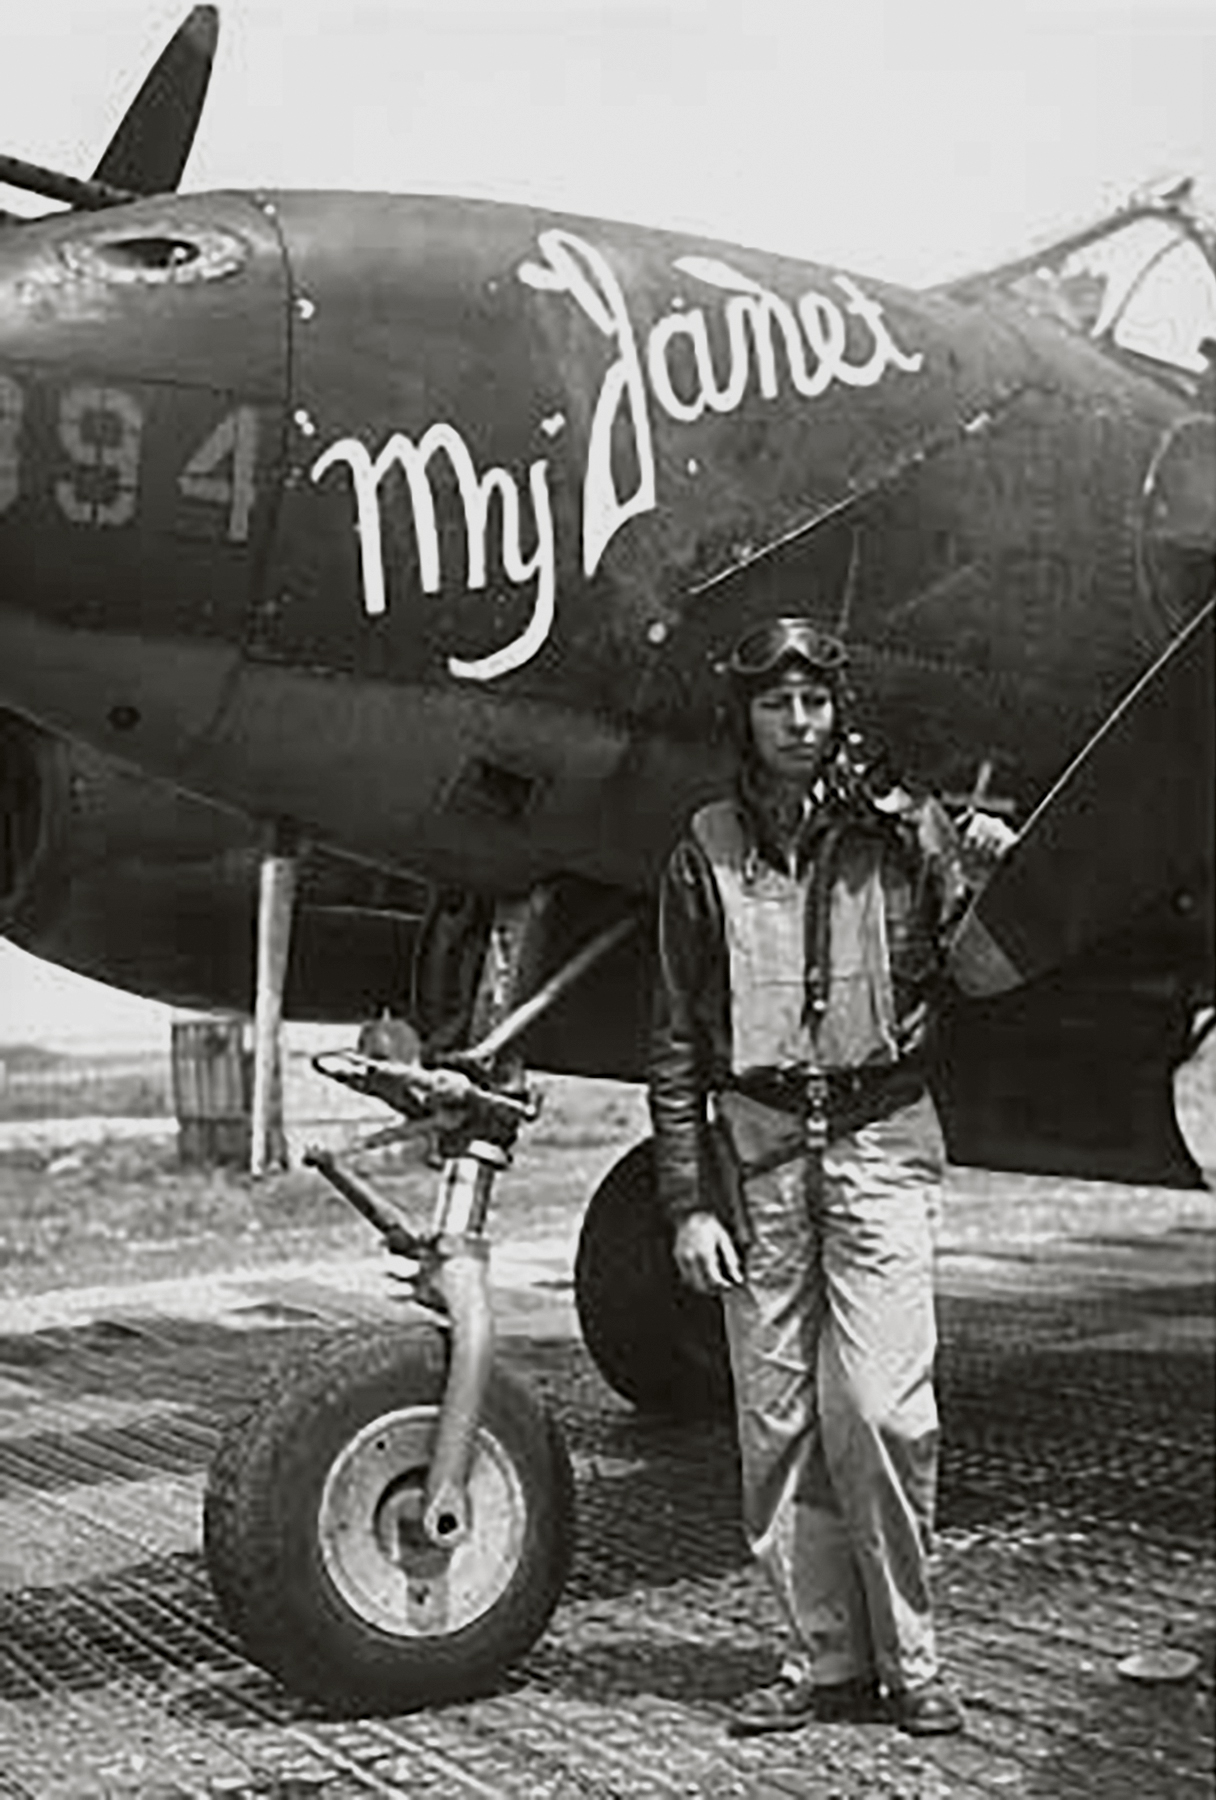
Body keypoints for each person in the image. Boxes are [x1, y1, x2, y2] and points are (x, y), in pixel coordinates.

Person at [648, 615, 1014, 1739]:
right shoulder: (700, 852)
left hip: (879, 1146)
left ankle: (912, 1661)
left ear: (836, 711)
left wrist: (962, 848)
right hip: (756, 1159)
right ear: (745, 721)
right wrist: (684, 1200)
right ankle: (820, 1661)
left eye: (815, 704)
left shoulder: (901, 833)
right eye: (776, 706)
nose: (799, 725)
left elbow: (980, 962)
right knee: (778, 1423)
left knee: (882, 1411)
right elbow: (673, 1046)